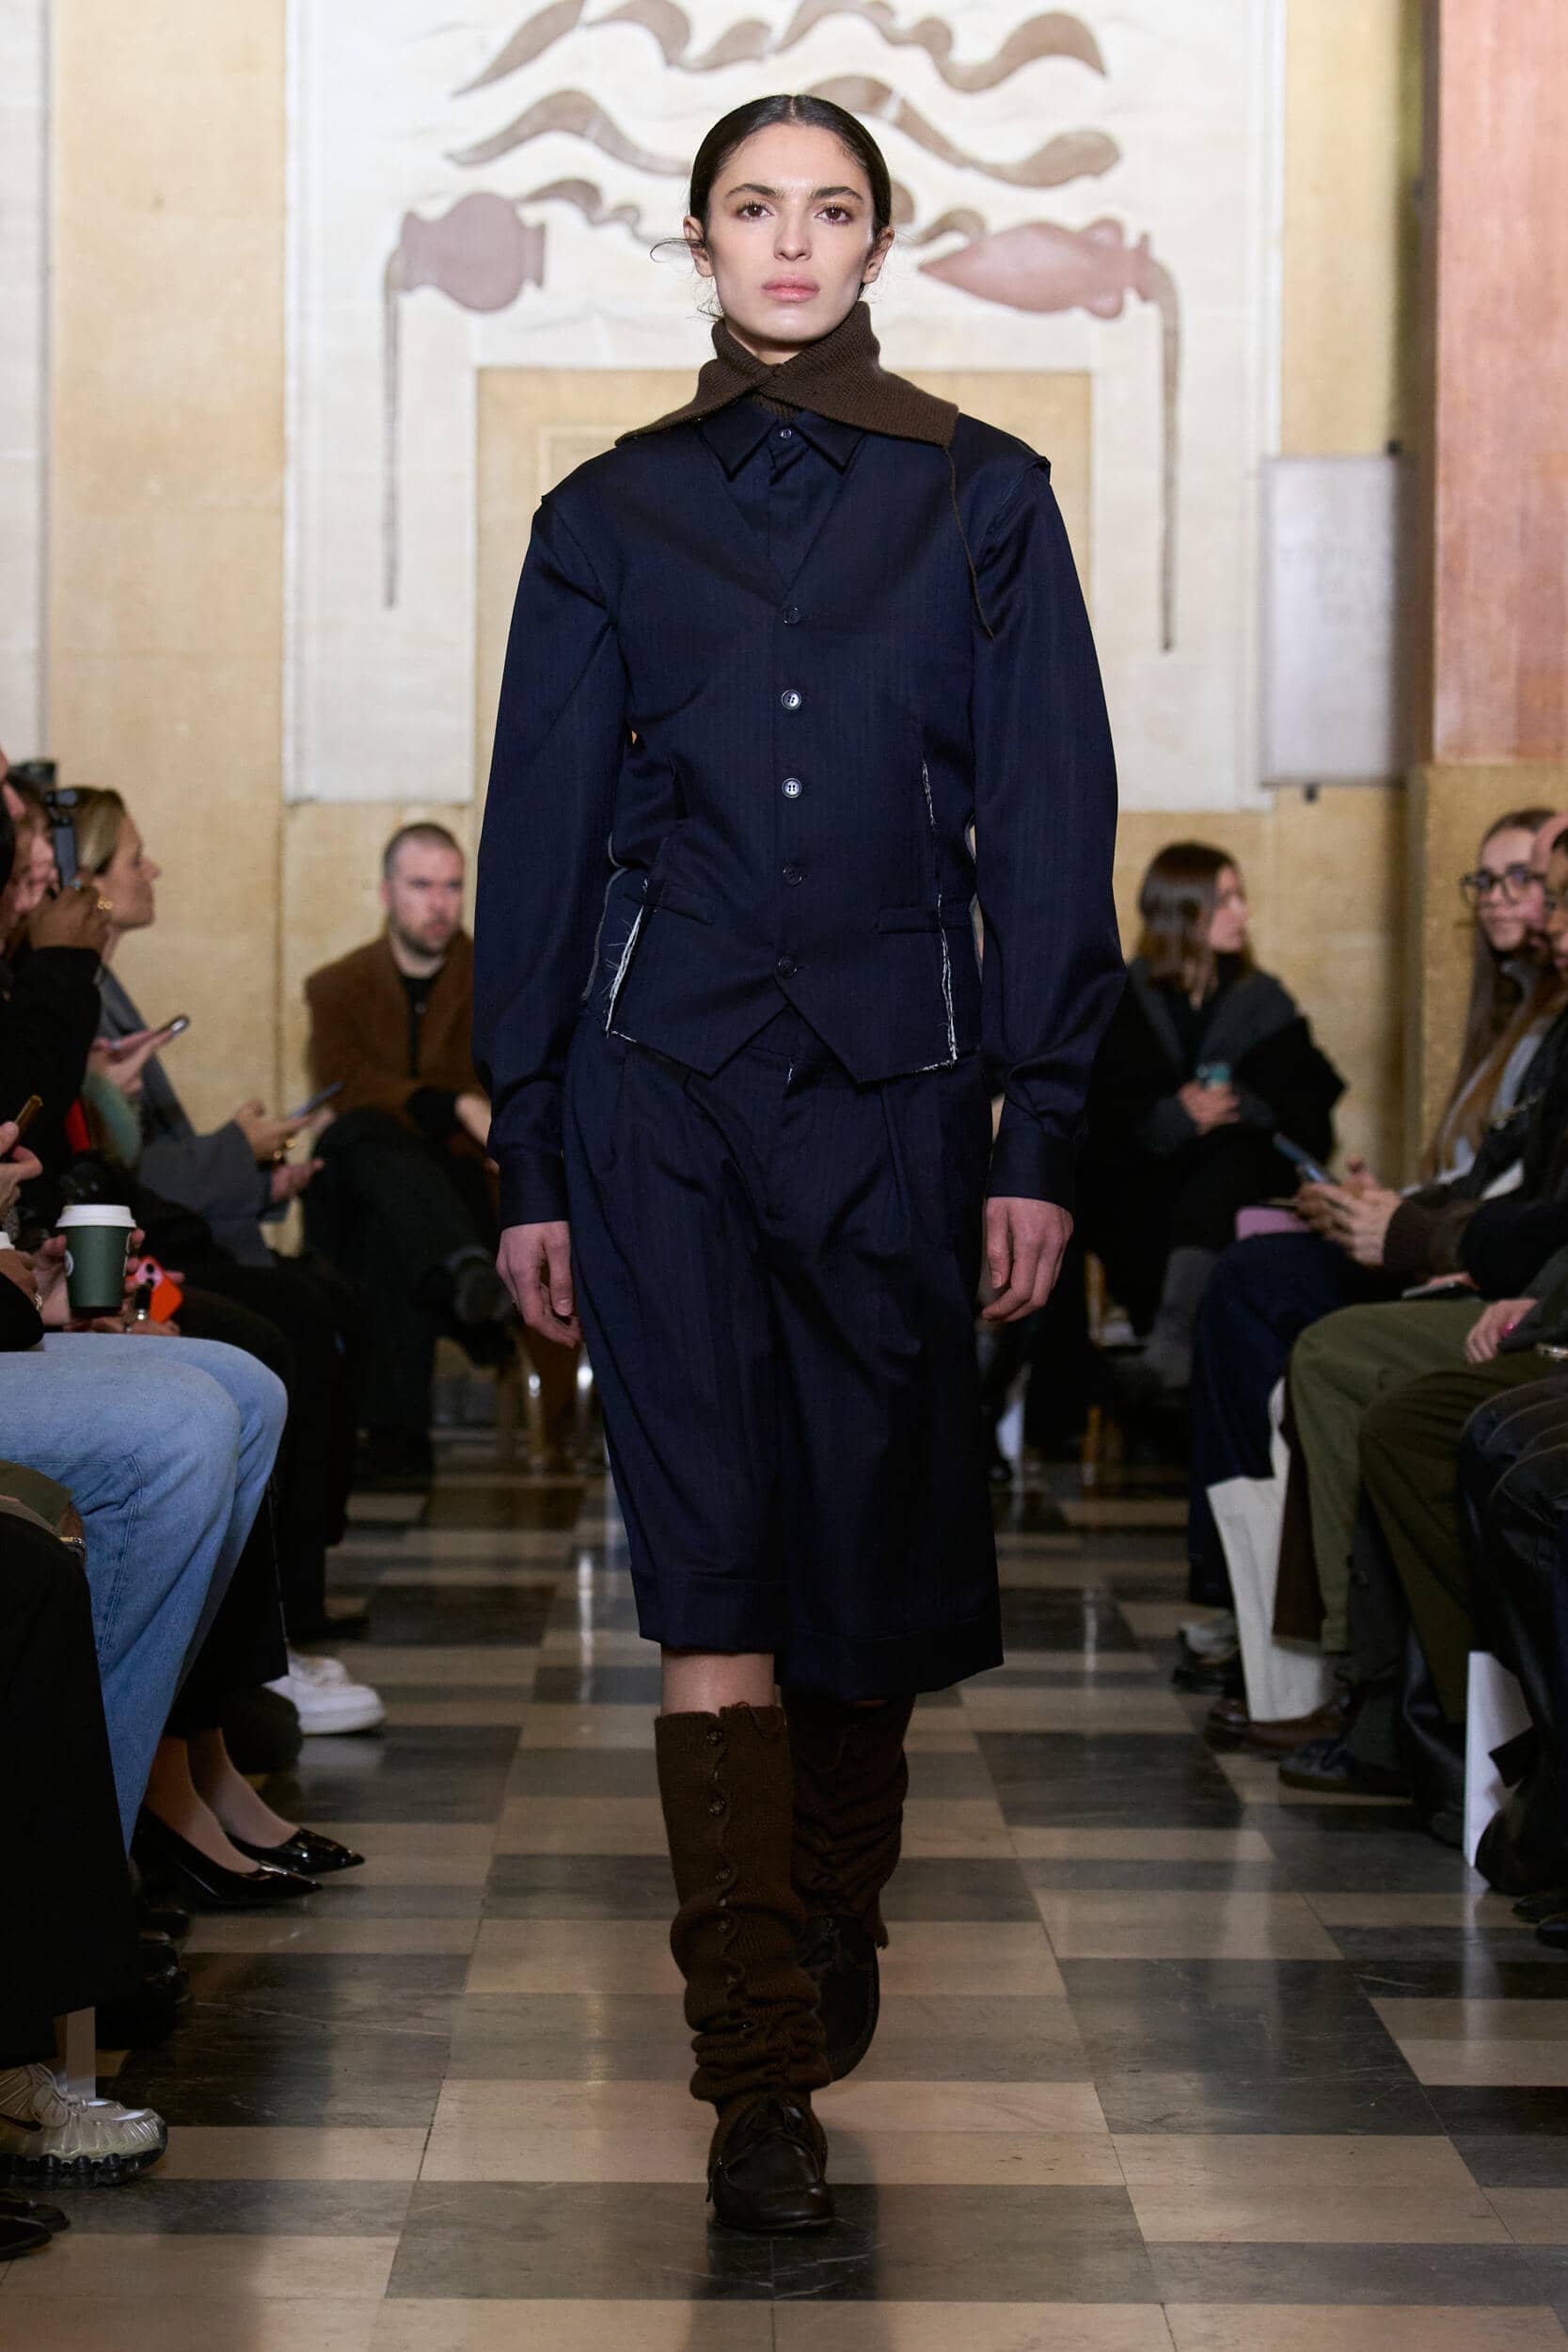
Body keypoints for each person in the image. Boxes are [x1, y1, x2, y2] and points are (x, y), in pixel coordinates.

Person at [475, 94, 1120, 2233]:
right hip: (655, 1099)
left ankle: (828, 1912)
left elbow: (1046, 828)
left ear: (875, 243)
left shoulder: (983, 498)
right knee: (713, 1572)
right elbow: (540, 846)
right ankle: (751, 2077)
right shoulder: (604, 515)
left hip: (894, 1101)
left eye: (828, 209)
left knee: (867, 1575)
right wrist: (531, 1155)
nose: (788, 241)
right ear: (696, 240)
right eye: (752, 207)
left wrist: (1041, 1126)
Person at [1186, 808, 1564, 1637]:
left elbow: (1524, 1202)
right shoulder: (1517, 1009)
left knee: (1275, 1304)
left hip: (1496, 1268)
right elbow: (1487, 1176)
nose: (1504, 899)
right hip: (1478, 1250)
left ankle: (1316, 1641)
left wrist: (1404, 1227)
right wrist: (1386, 1207)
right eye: (1486, 880)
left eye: (1529, 882)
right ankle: (1248, 1600)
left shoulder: (1549, 1019)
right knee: (1239, 1267)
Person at [66, 786, 368, 1661]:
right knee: (285, 1322)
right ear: (88, 879)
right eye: (134, 859)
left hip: (148, 1225)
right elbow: (121, 1170)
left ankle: (298, 1593)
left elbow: (147, 1163)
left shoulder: (101, 988)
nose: (152, 870)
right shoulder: (71, 992)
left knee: (329, 1297)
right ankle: (275, 1625)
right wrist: (234, 1150)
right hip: (118, 1245)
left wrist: (256, 1175)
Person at [304, 822, 575, 1482]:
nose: (439, 903)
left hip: (466, 1194)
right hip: (390, 1197)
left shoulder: (498, 979)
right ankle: (462, 1274)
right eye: (421, 885)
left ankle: (397, 1443)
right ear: (386, 892)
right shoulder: (336, 986)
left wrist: (442, 1111)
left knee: (380, 1200)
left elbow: (517, 1085)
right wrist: (452, 1105)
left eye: (452, 886)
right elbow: (343, 1083)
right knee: (355, 1139)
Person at [1082, 841, 1343, 1394]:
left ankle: (1174, 1342)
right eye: (1225, 900)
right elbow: (1101, 1114)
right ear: (1183, 911)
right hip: (1142, 1194)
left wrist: (1238, 1105)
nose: (1243, 912)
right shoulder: (1123, 999)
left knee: (1230, 1156)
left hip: (1237, 1190)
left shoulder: (1263, 1001)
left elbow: (1308, 1111)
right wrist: (1174, 1117)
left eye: (1240, 896)